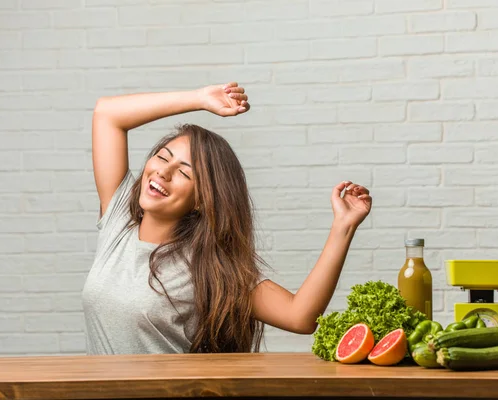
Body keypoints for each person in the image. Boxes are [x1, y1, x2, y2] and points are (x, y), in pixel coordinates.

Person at [81, 82, 372, 355]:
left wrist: (343, 226)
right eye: (162, 157)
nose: (163, 172)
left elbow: (300, 316)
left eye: (184, 173)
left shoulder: (209, 269)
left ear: (202, 200)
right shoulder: (117, 222)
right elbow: (108, 114)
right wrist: (199, 99)